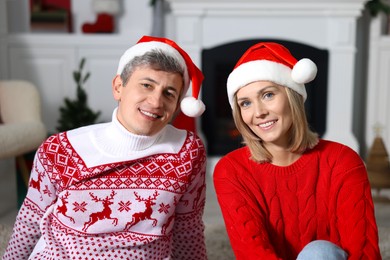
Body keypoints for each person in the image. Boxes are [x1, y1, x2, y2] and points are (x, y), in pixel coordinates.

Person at [3, 35, 208, 259]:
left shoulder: (186, 152)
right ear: (119, 87)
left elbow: (188, 228)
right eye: (146, 85)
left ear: (178, 105)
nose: (156, 102)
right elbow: (30, 220)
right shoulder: (60, 149)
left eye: (169, 93)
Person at [213, 42, 382, 259]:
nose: (259, 112)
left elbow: (363, 249)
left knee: (319, 251)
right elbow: (251, 252)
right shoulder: (231, 170)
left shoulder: (342, 160)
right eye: (245, 103)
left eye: (268, 95)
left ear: (292, 97)